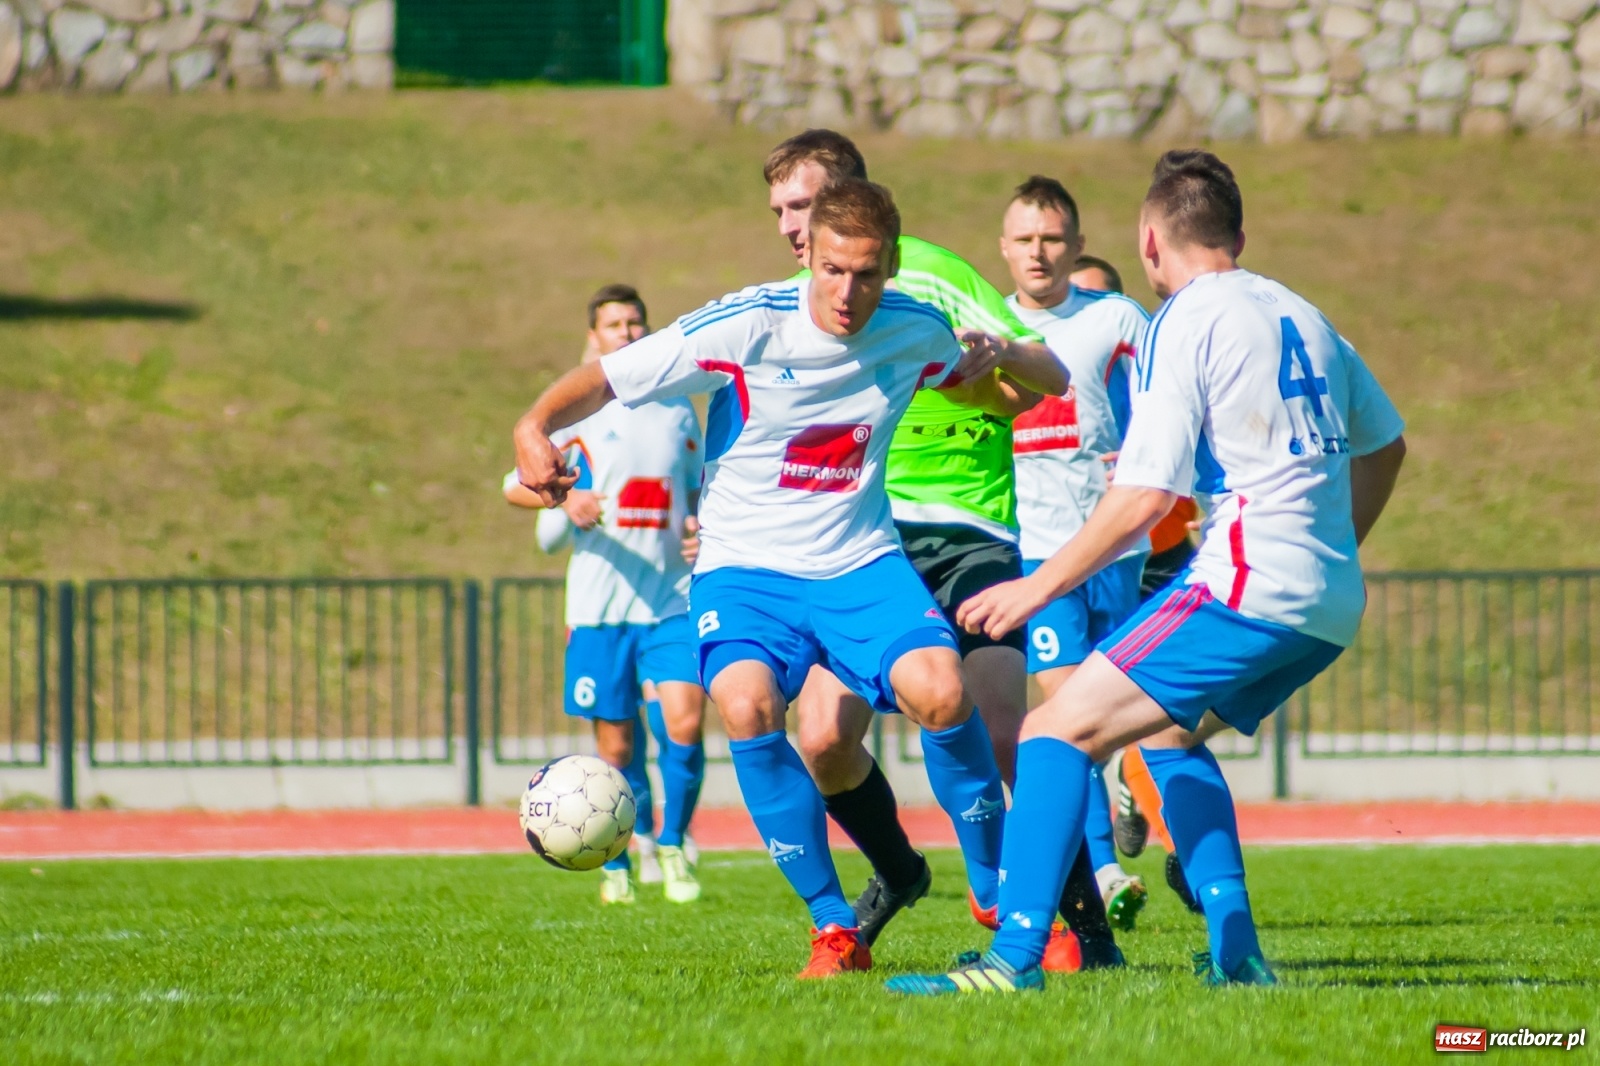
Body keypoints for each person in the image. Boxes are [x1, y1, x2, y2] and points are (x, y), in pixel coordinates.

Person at [889, 149, 1407, 994]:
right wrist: (1336, 546)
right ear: (1237, 233)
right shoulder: (1307, 314)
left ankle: (1011, 959)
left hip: (1244, 582)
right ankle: (1235, 953)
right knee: (1164, 736)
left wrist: (1035, 584)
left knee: (1055, 732)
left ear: (1149, 242)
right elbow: (1388, 445)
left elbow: (1144, 492)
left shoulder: (1184, 320)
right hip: (1327, 597)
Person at [515, 180, 1023, 978]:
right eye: (831, 270)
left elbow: (991, 385)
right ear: (807, 257)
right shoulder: (745, 324)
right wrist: (532, 426)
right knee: (749, 706)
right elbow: (611, 376)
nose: (846, 292)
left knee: (944, 690)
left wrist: (1011, 365)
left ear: (892, 265)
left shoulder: (916, 330)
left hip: (859, 561)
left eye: (865, 274)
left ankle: (997, 898)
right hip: (746, 573)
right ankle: (832, 928)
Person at [766, 130, 1117, 971]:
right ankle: (897, 876)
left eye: (803, 207)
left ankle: (1082, 928)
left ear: (856, 208)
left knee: (1005, 731)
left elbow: (1039, 375)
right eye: (779, 211)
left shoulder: (930, 275)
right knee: (818, 736)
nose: (787, 226)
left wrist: (994, 360)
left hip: (965, 528)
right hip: (860, 538)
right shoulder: (793, 302)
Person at [503, 284, 708, 906]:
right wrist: (567, 497)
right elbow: (514, 485)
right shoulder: (583, 413)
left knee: (687, 722)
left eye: (635, 322)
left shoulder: (678, 409)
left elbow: (702, 495)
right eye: (614, 324)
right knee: (617, 746)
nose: (627, 332)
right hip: (599, 610)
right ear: (595, 338)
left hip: (671, 600)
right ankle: (622, 852)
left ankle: (673, 844)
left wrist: (704, 532)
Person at [998, 175, 1150, 931]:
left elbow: (1168, 399)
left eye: (1052, 237)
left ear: (1078, 246)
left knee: (1128, 716)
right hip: (1037, 556)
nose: (1038, 251)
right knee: (1066, 709)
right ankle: (1108, 866)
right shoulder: (981, 327)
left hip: (1116, 547)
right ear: (1003, 247)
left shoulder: (1116, 317)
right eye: (1025, 238)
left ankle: (1153, 809)